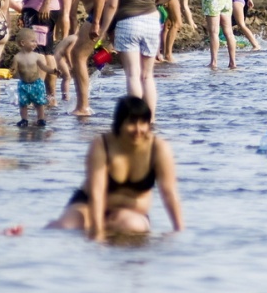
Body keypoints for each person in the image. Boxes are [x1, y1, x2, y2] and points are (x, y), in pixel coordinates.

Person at [47, 96, 184, 240]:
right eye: (131, 123)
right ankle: (27, 236)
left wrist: (179, 230)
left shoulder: (158, 148)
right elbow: (97, 192)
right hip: (88, 205)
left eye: (143, 123)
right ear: (119, 124)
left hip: (129, 213)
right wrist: (97, 232)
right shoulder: (102, 145)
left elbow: (169, 193)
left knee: (132, 227)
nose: (138, 129)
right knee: (65, 227)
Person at [96, 0, 188, 117]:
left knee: (132, 75)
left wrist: (102, 30)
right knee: (147, 76)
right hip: (152, 23)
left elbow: (112, 5)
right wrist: (166, 0)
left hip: (128, 23)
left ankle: (135, 118)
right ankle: (151, 118)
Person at [11, 29, 52, 128]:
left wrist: (53, 71)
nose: (35, 43)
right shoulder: (17, 57)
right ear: (23, 43)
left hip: (36, 83)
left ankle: (41, 119)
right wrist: (11, 72)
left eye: (36, 41)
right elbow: (14, 69)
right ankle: (24, 119)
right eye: (32, 41)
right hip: (23, 84)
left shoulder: (36, 56)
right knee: (23, 104)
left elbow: (43, 67)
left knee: (39, 103)